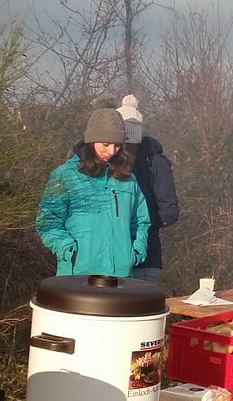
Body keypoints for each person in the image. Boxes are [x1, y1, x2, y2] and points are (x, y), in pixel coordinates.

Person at [35, 106, 150, 276]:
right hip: (77, 277)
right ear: (91, 141)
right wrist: (70, 251)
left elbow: (141, 222)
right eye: (106, 144)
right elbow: (48, 222)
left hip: (121, 276)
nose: (111, 151)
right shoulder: (65, 176)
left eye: (117, 145)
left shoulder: (128, 178)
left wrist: (136, 251)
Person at [118, 95, 180, 285]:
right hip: (111, 259)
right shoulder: (107, 162)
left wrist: (142, 226)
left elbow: (169, 211)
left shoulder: (155, 163)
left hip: (145, 258)